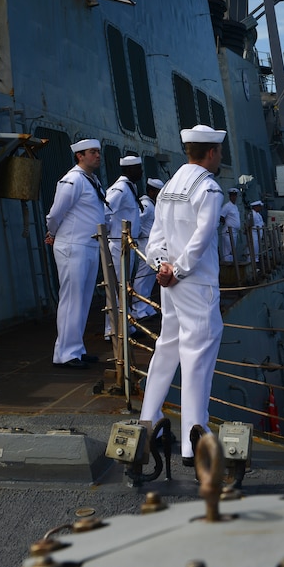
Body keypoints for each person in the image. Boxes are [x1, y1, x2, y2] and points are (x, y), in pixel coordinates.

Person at [139, 124, 226, 466]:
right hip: (195, 283)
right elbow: (202, 238)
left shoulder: (169, 188)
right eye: (219, 152)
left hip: (170, 285)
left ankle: (149, 422)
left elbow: (154, 240)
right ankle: (194, 441)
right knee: (197, 357)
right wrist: (179, 269)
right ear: (211, 152)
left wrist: (162, 266)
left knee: (167, 347)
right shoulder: (209, 189)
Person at [45, 138, 106, 369]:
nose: (97, 156)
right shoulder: (72, 180)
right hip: (73, 246)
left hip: (89, 246)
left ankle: (76, 349)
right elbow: (55, 213)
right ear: (80, 156)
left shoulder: (92, 180)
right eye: (93, 152)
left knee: (82, 300)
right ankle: (65, 354)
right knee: (72, 300)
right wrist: (52, 233)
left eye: (98, 152)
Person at [104, 155, 143, 339]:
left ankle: (125, 325)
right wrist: (111, 234)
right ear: (129, 170)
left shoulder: (130, 187)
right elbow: (104, 210)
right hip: (119, 244)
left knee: (124, 286)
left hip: (128, 244)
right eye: (138, 168)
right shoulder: (120, 189)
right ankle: (112, 329)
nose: (141, 172)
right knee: (117, 287)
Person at [131, 178, 164, 320]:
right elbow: (136, 221)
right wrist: (137, 236)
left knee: (150, 277)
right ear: (151, 191)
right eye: (157, 192)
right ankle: (138, 308)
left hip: (151, 244)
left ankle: (146, 305)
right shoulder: (146, 205)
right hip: (145, 243)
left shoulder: (152, 205)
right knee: (142, 277)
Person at [219, 188, 241, 262]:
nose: (234, 197)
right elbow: (221, 216)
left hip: (234, 232)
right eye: (232, 195)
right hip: (228, 232)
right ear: (229, 196)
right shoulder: (227, 206)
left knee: (232, 250)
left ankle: (231, 265)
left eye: (235, 195)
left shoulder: (235, 206)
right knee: (228, 251)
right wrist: (225, 222)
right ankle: (227, 265)